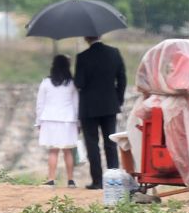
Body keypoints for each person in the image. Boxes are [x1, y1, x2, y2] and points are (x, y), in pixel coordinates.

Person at [74, 36, 126, 189]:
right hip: (110, 105)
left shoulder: (82, 57)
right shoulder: (114, 53)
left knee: (92, 144)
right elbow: (122, 78)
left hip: (89, 107)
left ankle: (97, 181)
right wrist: (118, 100)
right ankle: (113, 181)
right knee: (110, 142)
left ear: (85, 38)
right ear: (100, 36)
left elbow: (79, 83)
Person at [35, 55, 79, 188]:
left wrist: (38, 122)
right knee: (68, 151)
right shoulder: (72, 83)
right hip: (68, 119)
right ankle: (71, 180)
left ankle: (51, 179)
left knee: (53, 151)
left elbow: (40, 104)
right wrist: (78, 123)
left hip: (49, 119)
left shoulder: (46, 82)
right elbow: (76, 104)